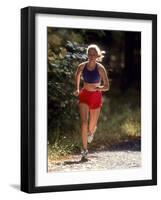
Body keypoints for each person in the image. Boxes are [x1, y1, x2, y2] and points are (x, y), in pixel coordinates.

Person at [74, 44, 110, 161]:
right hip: (84, 96)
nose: (92, 56)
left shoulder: (100, 68)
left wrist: (99, 88)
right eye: (90, 54)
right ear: (87, 55)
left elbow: (107, 86)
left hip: (96, 97)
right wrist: (77, 88)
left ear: (97, 55)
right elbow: (77, 75)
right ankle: (84, 150)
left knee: (91, 126)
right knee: (84, 122)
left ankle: (91, 132)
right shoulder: (82, 66)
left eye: (94, 54)